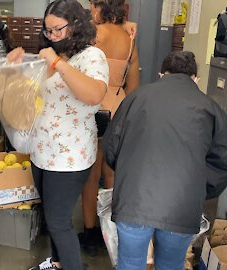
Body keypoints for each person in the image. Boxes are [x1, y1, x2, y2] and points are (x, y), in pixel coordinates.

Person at [103, 51, 227, 269]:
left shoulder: (135, 98)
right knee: (171, 265)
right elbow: (224, 165)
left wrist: (129, 174)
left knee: (129, 264)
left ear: (161, 74)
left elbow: (110, 147)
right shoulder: (210, 108)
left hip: (133, 201)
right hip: (181, 206)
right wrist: (198, 191)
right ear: (196, 78)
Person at [7, 1, 109, 269]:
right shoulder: (55, 57)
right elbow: (32, 93)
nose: (51, 36)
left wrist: (58, 64)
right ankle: (57, 264)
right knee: (53, 221)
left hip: (69, 157)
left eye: (57, 29)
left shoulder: (91, 57)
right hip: (43, 152)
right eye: (48, 30)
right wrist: (16, 67)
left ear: (75, 24)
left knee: (59, 221)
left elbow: (95, 95)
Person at [79, 0, 141, 256]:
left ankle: (91, 233)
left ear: (99, 6)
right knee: (113, 174)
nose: (90, 10)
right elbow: (133, 86)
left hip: (94, 109)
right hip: (119, 110)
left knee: (91, 175)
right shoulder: (129, 38)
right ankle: (112, 229)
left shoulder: (95, 33)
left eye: (93, 4)